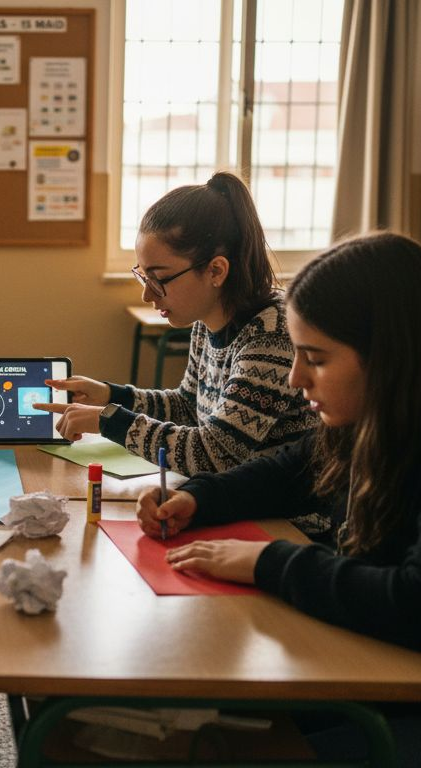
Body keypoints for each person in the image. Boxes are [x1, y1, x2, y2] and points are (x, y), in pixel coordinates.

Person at [138, 233, 421, 767]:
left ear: (387, 356)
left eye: (316, 359)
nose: (297, 377)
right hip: (394, 681)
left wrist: (268, 561)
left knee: (233, 747)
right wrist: (196, 499)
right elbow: (287, 471)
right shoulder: (376, 412)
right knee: (201, 724)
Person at [34, 172, 324, 533]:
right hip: (236, 509)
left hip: (287, 526)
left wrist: (109, 420)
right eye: (144, 277)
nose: (147, 294)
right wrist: (111, 395)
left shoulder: (271, 334)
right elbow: (189, 405)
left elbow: (214, 453)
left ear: (216, 270)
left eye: (159, 279)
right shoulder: (207, 320)